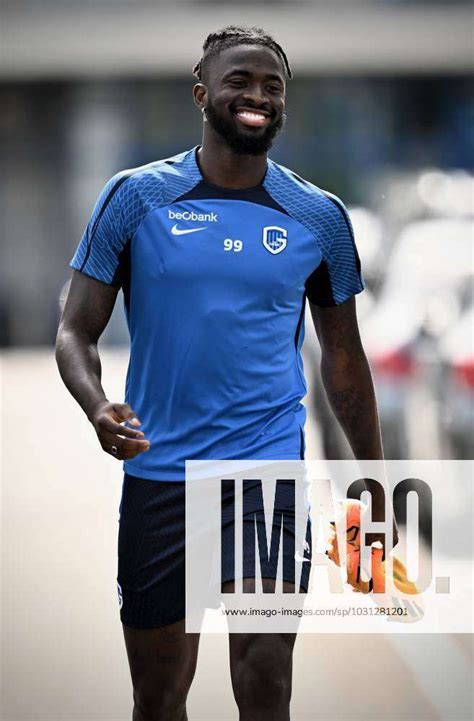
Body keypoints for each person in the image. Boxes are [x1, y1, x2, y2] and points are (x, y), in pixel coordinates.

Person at [56, 25, 394, 721]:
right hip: (160, 473)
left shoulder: (318, 217)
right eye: (241, 81)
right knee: (159, 691)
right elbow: (74, 330)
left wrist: (374, 473)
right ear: (202, 92)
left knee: (266, 674)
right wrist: (96, 406)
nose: (258, 96)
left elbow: (344, 359)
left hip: (263, 472)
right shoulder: (135, 198)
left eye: (273, 86)